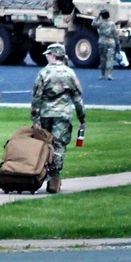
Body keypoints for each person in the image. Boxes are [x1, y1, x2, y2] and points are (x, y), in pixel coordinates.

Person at [30, 43, 86, 194]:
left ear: (53, 55)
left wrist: (35, 120)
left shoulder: (43, 73)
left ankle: (45, 175)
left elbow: (36, 98)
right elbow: (78, 99)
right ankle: (54, 177)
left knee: (45, 145)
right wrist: (82, 118)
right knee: (59, 146)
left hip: (46, 114)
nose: (47, 57)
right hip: (63, 115)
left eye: (48, 55)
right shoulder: (70, 74)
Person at [91, 9, 119, 80]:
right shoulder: (112, 24)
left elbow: (93, 24)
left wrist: (97, 17)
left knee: (103, 58)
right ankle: (109, 74)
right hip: (110, 42)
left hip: (102, 41)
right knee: (110, 58)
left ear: (102, 16)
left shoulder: (100, 24)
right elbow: (115, 34)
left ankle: (102, 74)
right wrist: (117, 43)